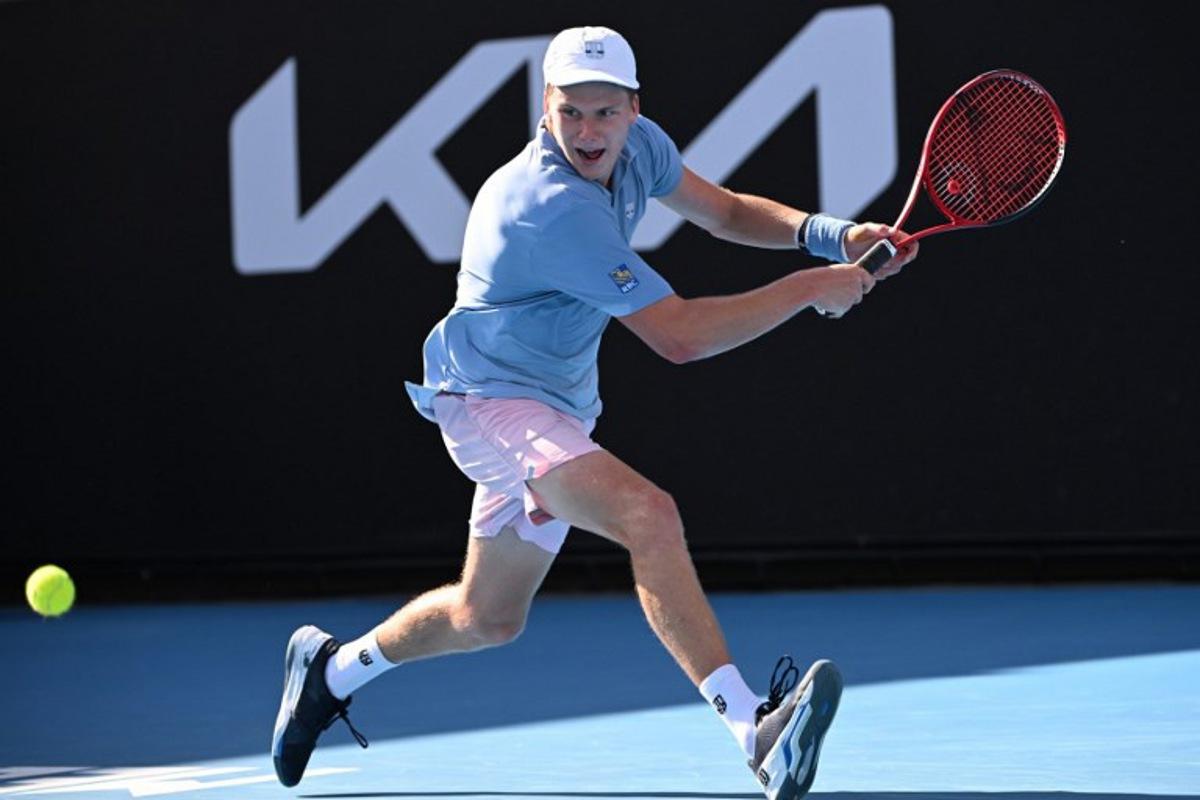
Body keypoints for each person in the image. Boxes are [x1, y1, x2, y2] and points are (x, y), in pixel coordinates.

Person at [272, 25, 916, 800]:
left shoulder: (640, 147)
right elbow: (678, 339)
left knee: (488, 617)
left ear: (633, 110)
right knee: (648, 515)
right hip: (489, 403)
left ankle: (330, 672)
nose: (587, 131)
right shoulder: (547, 206)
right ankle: (755, 731)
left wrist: (831, 236)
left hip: (558, 406)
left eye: (605, 113)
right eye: (570, 111)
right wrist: (813, 286)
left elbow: (725, 211)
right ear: (547, 106)